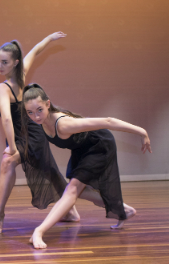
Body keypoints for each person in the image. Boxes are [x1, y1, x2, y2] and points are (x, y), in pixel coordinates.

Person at [22, 84, 151, 249]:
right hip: (81, 148)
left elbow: (108, 121)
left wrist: (142, 132)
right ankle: (123, 210)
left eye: (39, 109)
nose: (36, 116)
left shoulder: (63, 124)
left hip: (99, 145)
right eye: (30, 112)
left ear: (48, 104)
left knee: (72, 190)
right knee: (79, 192)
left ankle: (39, 231)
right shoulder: (41, 122)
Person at [0, 32, 80, 233]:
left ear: (15, 62)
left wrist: (12, 147)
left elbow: (6, 118)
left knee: (43, 168)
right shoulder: (18, 75)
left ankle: (72, 209)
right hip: (20, 134)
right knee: (18, 165)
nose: (0, 66)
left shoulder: (3, 87)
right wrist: (50, 38)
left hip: (30, 134)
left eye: (4, 62)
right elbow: (37, 49)